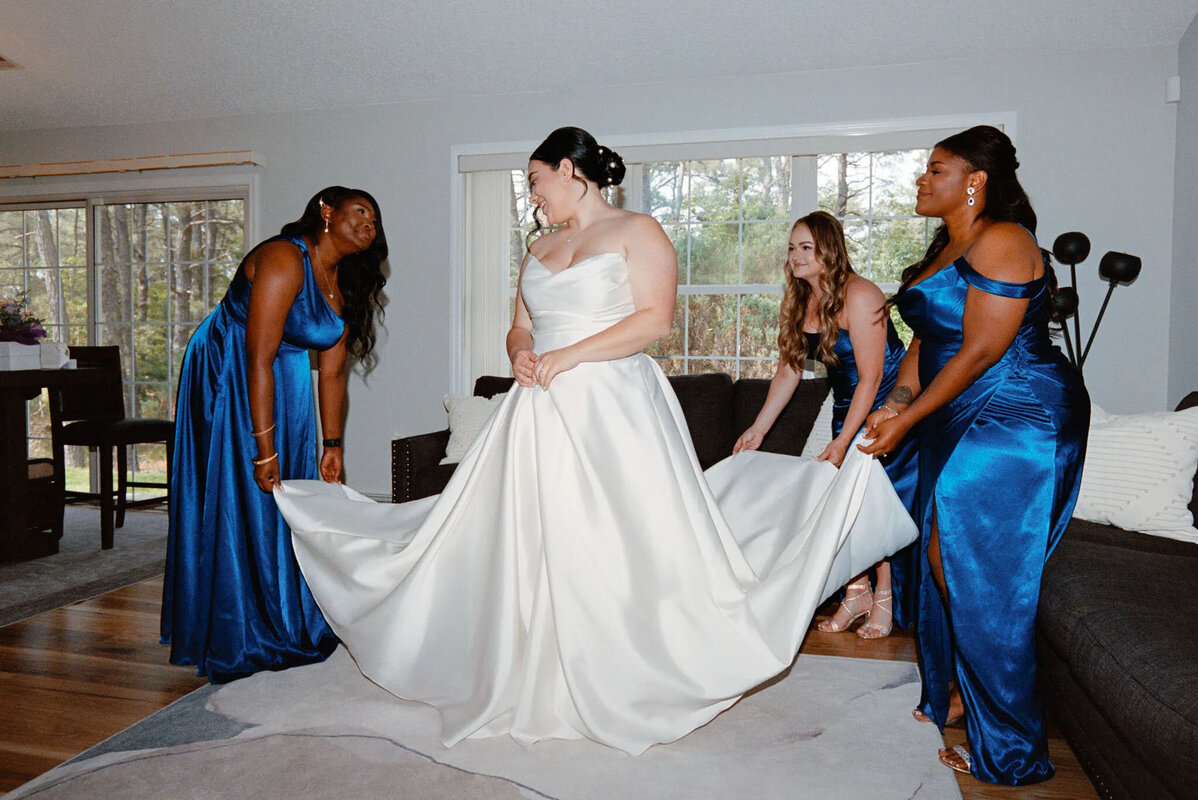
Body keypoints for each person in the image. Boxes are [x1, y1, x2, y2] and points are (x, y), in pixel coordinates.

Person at [272, 127, 917, 755]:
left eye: (534, 179)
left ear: (570, 171)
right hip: (537, 409)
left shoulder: (639, 232)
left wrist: (570, 355)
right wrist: (524, 356)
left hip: (614, 408)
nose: (532, 195)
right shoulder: (538, 250)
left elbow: (653, 320)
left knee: (616, 536)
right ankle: (531, 659)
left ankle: (626, 661)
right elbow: (518, 329)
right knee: (526, 536)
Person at [859, 126, 1088, 785]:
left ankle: (1013, 745)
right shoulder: (944, 247)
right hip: (956, 404)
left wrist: (911, 420)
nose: (921, 181)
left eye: (935, 170)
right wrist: (899, 399)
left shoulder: (1004, 239)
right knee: (940, 549)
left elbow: (984, 349)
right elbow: (930, 342)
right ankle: (961, 695)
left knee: (968, 560)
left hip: (1018, 409)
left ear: (975, 180)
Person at [162, 186, 388, 683]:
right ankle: (237, 629)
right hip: (229, 372)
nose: (369, 227)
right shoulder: (285, 258)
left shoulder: (340, 281)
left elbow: (331, 374)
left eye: (374, 223)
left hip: (284, 379)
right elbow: (256, 357)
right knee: (247, 492)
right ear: (326, 212)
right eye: (360, 214)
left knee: (292, 496)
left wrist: (332, 447)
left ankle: (287, 619)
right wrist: (264, 449)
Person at [734, 210, 918, 639]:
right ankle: (856, 591)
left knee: (869, 503)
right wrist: (758, 428)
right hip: (845, 407)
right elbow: (789, 372)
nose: (795, 256)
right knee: (838, 501)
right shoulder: (801, 300)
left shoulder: (862, 294)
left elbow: (873, 376)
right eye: (791, 248)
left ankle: (884, 598)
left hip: (885, 410)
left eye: (806, 248)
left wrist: (848, 441)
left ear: (828, 250)